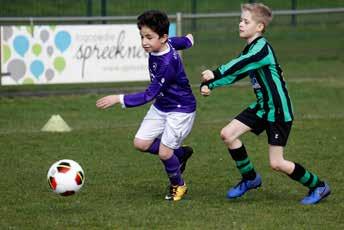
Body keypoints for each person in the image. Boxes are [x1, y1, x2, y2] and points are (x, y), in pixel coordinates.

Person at [200, 3, 330, 205]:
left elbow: (241, 63)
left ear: (259, 27)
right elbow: (239, 71)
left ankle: (318, 186)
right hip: (262, 107)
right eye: (240, 20)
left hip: (278, 110)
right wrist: (212, 84)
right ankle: (250, 178)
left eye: (246, 21)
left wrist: (215, 73)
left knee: (276, 163)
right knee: (228, 134)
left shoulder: (261, 49)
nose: (240, 24)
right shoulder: (251, 48)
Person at [96, 10, 196, 201]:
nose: (144, 42)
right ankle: (180, 154)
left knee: (164, 153)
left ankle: (179, 185)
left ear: (163, 37)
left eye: (149, 37)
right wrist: (189, 40)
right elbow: (180, 41)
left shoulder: (167, 63)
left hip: (180, 109)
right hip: (162, 106)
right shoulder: (166, 44)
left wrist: (118, 98)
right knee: (141, 143)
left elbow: (150, 94)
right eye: (142, 36)